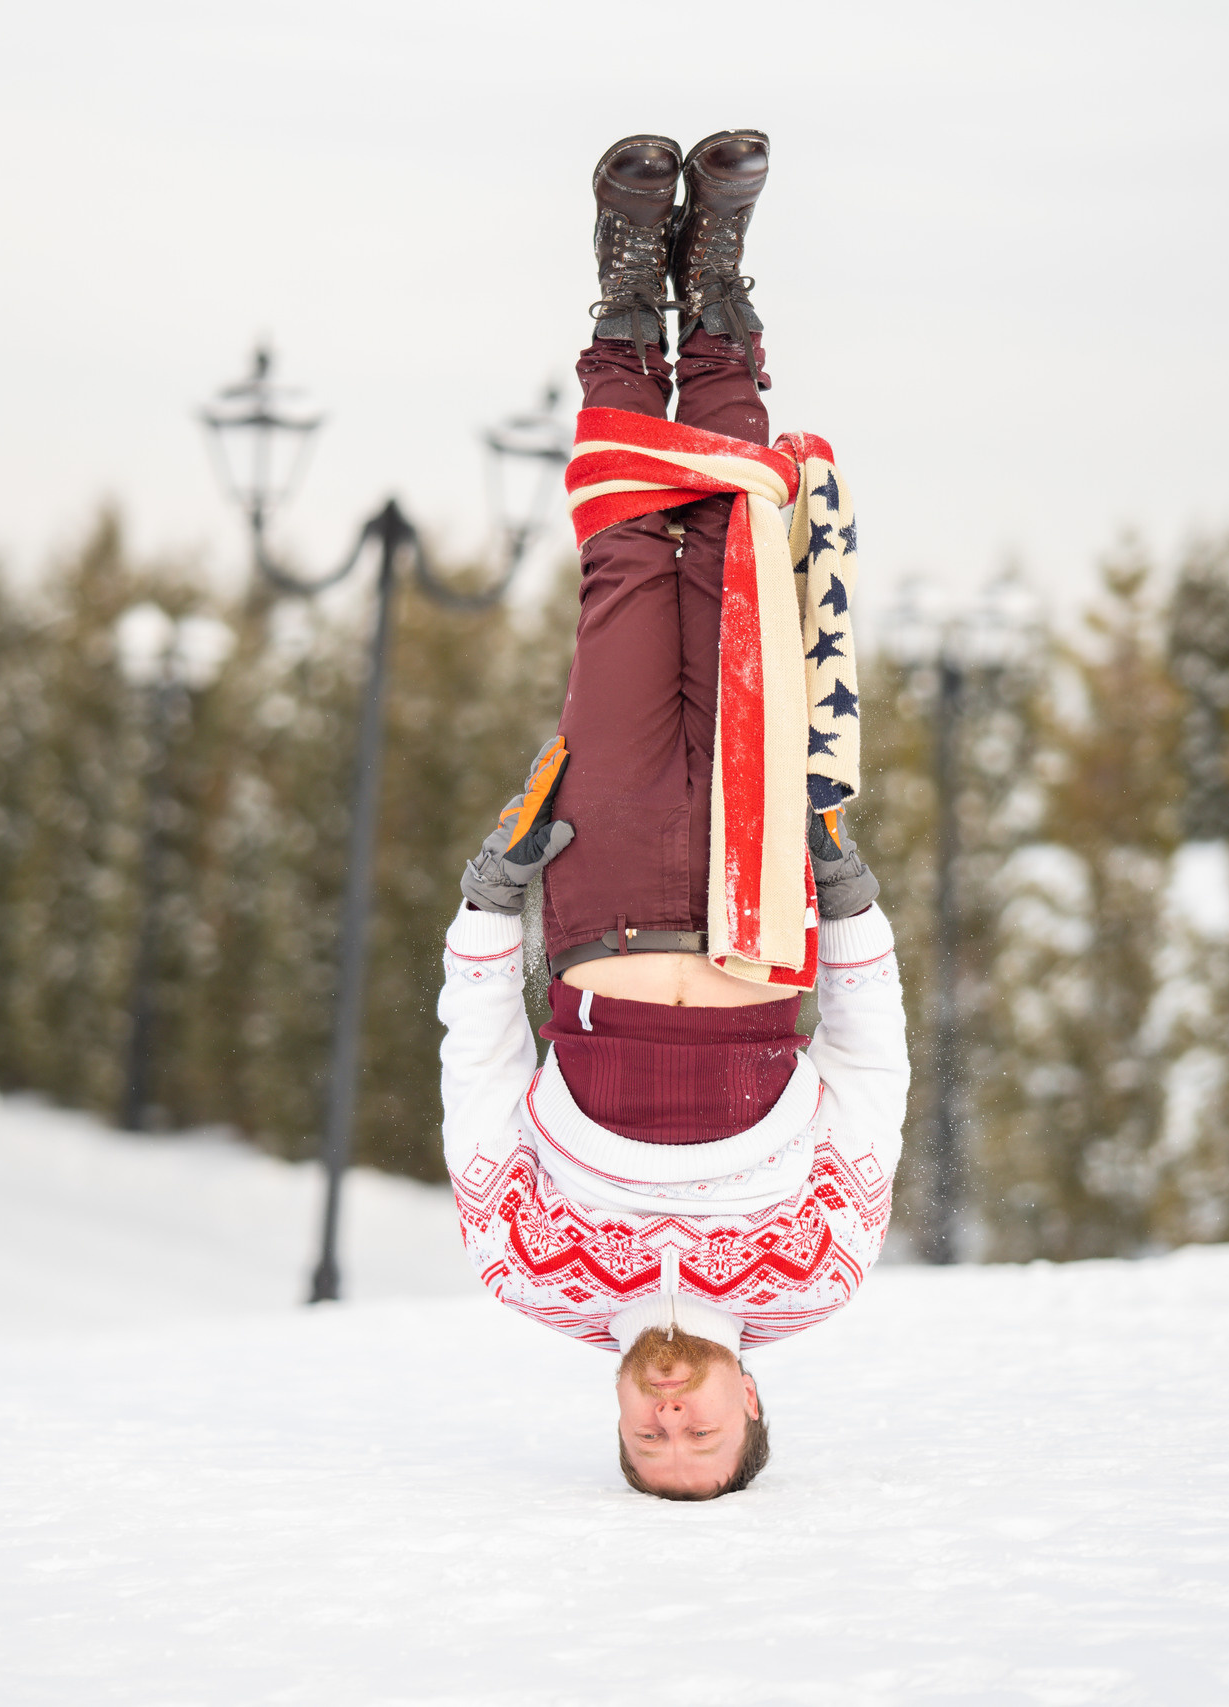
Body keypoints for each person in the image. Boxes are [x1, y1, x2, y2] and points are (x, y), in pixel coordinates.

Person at [437, 131, 911, 1501]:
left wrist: (488, 906)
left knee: (630, 574)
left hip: (598, 908)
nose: (671, 1419)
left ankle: (622, 303)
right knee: (736, 569)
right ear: (752, 1400)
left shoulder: (531, 1274)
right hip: (763, 911)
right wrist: (855, 907)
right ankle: (719, 314)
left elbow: (478, 1083)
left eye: (650, 1445)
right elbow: (871, 1081)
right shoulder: (820, 1271)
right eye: (703, 1437)